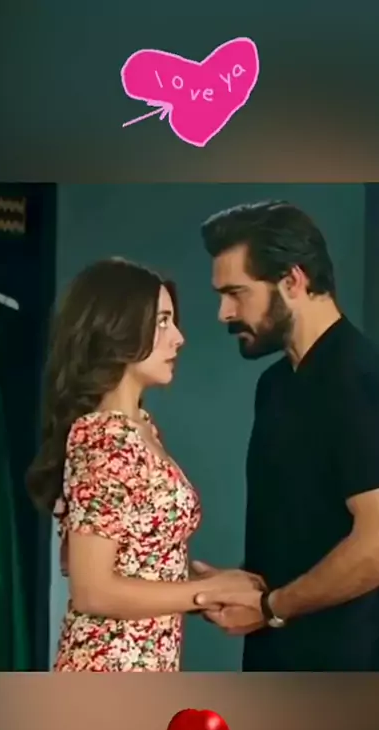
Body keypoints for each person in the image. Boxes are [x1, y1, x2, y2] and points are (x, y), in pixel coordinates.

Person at [192, 201, 379, 671]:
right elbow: (303, 529)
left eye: (236, 293)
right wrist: (246, 588)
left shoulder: (360, 381)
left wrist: (273, 606)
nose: (224, 313)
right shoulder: (275, 386)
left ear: (293, 281)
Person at [26, 257, 260, 671]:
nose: (179, 338)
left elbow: (136, 563)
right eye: (163, 322)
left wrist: (207, 588)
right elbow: (93, 591)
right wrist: (208, 592)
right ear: (117, 328)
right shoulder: (103, 438)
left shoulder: (140, 429)